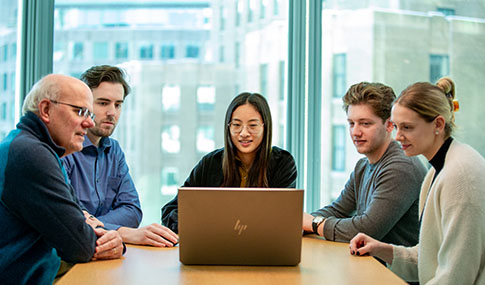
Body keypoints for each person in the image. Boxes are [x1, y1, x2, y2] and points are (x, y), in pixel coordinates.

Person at [350, 77, 485, 284]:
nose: (397, 136)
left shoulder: (460, 175)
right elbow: (431, 257)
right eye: (395, 127)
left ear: (438, 124)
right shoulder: (437, 171)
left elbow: (456, 276)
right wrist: (383, 249)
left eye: (407, 127)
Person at [0, 74, 123, 284]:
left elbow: (80, 220)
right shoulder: (32, 154)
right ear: (46, 110)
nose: (88, 123)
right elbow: (80, 244)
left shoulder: (35, 148)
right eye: (80, 111)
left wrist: (101, 234)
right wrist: (107, 240)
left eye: (90, 115)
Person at [62, 65, 178, 247]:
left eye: (118, 104)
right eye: (103, 103)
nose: (112, 112)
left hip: (106, 252)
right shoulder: (64, 149)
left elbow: (132, 210)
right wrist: (121, 232)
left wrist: (95, 225)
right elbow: (68, 217)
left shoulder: (113, 150)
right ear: (83, 103)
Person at [302, 82, 427, 246]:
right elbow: (338, 210)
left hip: (395, 270)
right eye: (351, 123)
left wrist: (313, 224)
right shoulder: (363, 166)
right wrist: (299, 223)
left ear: (390, 125)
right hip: (371, 265)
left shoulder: (401, 167)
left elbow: (366, 229)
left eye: (365, 123)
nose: (355, 132)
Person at [161, 92, 297, 233]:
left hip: (263, 247)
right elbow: (171, 210)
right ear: (228, 127)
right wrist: (196, 225)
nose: (244, 133)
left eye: (253, 125)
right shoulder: (211, 163)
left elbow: (284, 218)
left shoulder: (283, 162)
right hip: (215, 245)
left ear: (265, 127)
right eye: (237, 125)